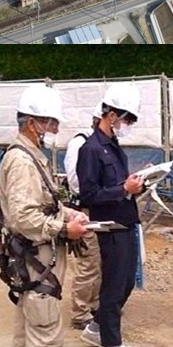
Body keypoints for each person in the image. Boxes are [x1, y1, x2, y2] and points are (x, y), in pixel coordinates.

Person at [0, 84, 89, 347]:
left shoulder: (30, 155)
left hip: (31, 258)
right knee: (45, 328)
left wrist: (68, 214)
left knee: (27, 324)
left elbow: (43, 204)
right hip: (37, 258)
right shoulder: (22, 161)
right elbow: (23, 217)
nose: (55, 130)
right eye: (50, 123)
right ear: (33, 122)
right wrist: (64, 228)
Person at [76, 83, 147, 347]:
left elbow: (118, 185)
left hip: (126, 220)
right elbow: (89, 195)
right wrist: (123, 190)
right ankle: (114, 345)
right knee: (114, 285)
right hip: (110, 225)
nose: (128, 125)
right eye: (127, 119)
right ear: (112, 114)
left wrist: (135, 186)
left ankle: (95, 328)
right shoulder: (91, 149)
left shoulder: (114, 147)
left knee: (127, 281)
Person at [63, 102, 103, 330]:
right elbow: (76, 181)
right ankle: (80, 311)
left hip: (102, 208)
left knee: (99, 261)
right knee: (89, 262)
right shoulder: (80, 143)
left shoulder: (103, 143)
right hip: (85, 210)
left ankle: (94, 303)